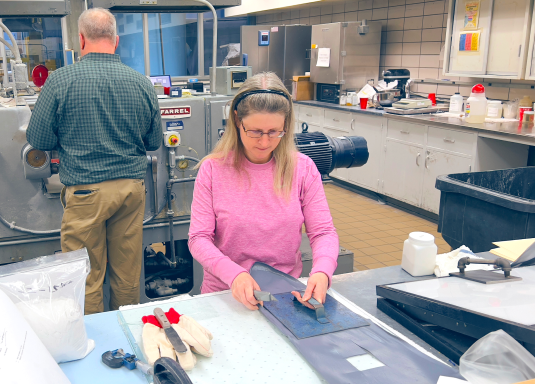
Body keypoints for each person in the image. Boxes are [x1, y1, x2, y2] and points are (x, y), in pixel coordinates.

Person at [26, 8, 162, 314]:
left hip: (86, 193)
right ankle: (125, 336)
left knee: (85, 275)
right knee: (126, 273)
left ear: (81, 39)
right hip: (130, 190)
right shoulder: (141, 83)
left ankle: (93, 346)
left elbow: (40, 141)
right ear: (116, 41)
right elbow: (153, 142)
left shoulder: (60, 80)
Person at [188, 72, 339, 310]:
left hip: (286, 294)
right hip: (226, 295)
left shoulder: (302, 169)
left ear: (286, 126)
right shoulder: (213, 169)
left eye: (274, 132)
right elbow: (199, 239)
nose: (265, 142)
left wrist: (322, 271)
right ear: (237, 120)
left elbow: (323, 233)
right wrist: (234, 275)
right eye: (255, 132)